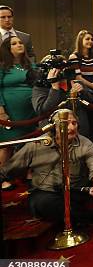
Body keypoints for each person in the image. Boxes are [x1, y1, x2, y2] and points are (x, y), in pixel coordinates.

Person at [0, 110, 93, 238]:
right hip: (47, 192)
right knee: (43, 204)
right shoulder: (36, 144)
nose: (72, 127)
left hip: (76, 189)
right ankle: (91, 217)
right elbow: (9, 169)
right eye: (66, 123)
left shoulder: (85, 144)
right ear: (53, 127)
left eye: (74, 123)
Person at [0, 36, 37, 190]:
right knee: (6, 145)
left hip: (31, 111)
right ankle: (2, 177)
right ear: (7, 50)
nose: (19, 45)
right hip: (9, 112)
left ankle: (29, 172)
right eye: (14, 44)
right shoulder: (2, 66)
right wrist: (1, 111)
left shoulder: (31, 65)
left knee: (32, 141)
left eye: (20, 42)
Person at [69, 30, 93, 144]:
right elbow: (78, 77)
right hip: (82, 91)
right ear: (80, 40)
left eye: (92, 39)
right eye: (87, 39)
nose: (90, 41)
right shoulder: (74, 56)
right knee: (84, 126)